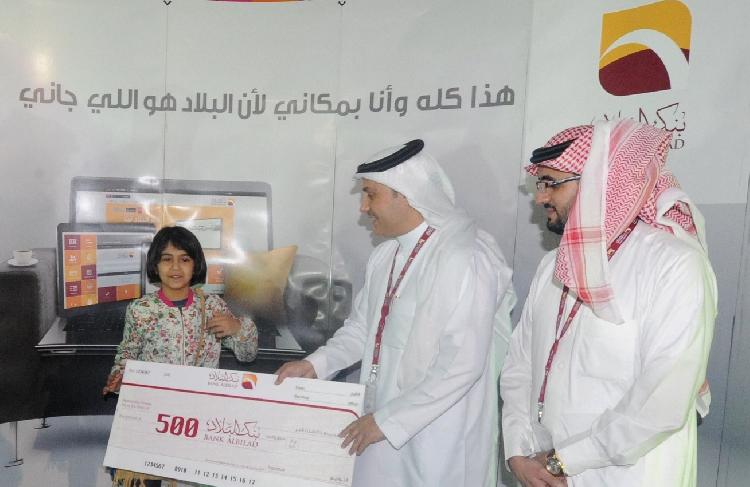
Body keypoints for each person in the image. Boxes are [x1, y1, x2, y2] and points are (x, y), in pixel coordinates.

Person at [275, 139, 515, 487]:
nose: (363, 208)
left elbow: (461, 365)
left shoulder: (465, 257)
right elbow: (362, 329)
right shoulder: (385, 256)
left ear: (406, 194)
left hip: (440, 437)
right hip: (379, 423)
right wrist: (316, 365)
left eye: (370, 194)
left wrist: (388, 421)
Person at [500, 120, 717, 487]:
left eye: (552, 183)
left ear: (600, 183)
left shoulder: (674, 265)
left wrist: (562, 461)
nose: (541, 198)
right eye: (540, 184)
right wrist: (519, 452)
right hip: (544, 469)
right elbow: (519, 366)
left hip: (627, 475)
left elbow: (662, 399)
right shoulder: (552, 266)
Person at [103, 225, 258, 487]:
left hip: (201, 418)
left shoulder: (212, 306)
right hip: (154, 419)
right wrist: (119, 377)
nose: (175, 267)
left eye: (184, 259)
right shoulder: (141, 309)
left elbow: (247, 354)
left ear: (196, 264)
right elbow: (127, 353)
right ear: (155, 265)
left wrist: (238, 328)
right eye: (167, 259)